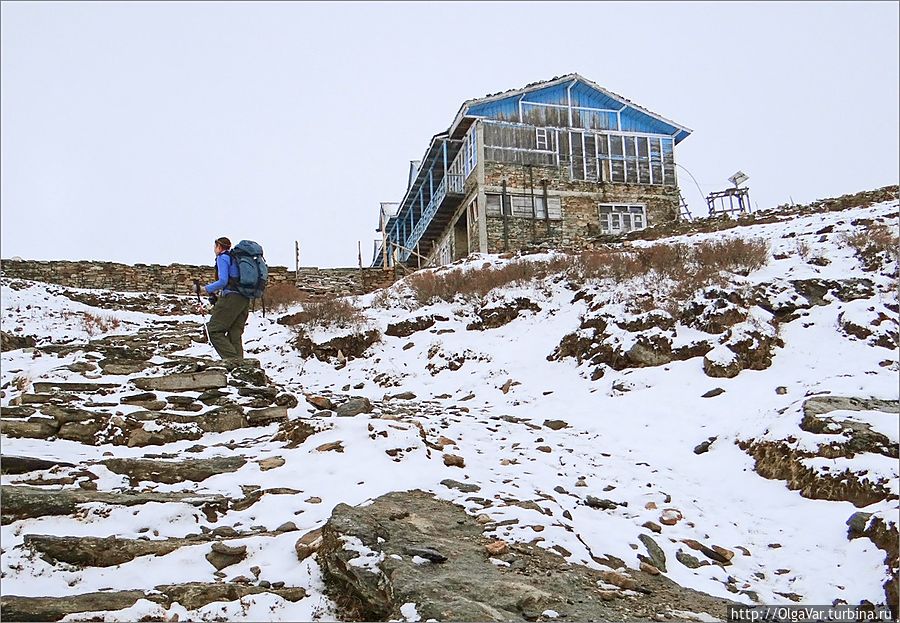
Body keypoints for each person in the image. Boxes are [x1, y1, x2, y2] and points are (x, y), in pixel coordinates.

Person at [202, 237, 250, 360]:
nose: (214, 249)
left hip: (231, 297)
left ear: (219, 247)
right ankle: (242, 369)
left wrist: (206, 289)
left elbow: (223, 281)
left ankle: (234, 362)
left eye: (215, 247)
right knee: (235, 334)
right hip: (244, 298)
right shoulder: (236, 259)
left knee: (213, 330)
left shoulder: (223, 258)